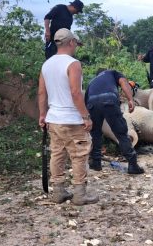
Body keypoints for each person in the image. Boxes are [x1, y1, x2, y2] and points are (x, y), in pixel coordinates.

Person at [38, 28, 98, 205]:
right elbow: (75, 92)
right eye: (76, 44)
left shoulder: (46, 64)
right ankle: (79, 194)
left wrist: (43, 114)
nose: (76, 47)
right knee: (79, 155)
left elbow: (42, 92)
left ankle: (58, 192)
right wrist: (86, 117)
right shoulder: (73, 64)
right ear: (71, 42)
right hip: (71, 119)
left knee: (57, 154)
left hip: (54, 119)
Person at [85, 69, 145, 174]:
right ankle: (132, 164)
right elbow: (123, 82)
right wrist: (130, 99)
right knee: (121, 133)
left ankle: (96, 163)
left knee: (95, 133)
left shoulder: (92, 81)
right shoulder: (112, 72)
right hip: (109, 99)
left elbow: (86, 101)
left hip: (92, 103)